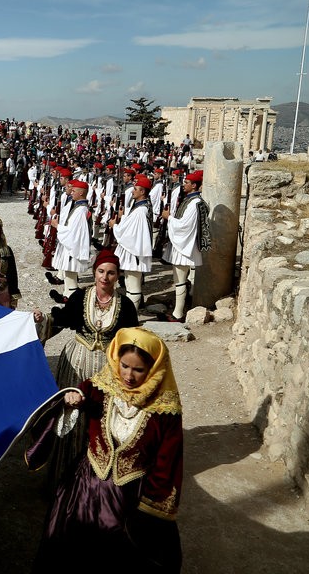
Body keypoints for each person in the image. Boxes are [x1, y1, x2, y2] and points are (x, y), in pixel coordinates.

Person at [26, 327, 183, 572]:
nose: (128, 375)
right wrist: (73, 399)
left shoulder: (165, 411)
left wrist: (150, 509)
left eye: (138, 369)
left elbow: (168, 462)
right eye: (124, 366)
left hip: (129, 497)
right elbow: (82, 394)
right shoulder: (103, 386)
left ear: (153, 370)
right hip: (85, 487)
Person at [32, 250, 139, 485]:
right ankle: (62, 479)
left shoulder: (126, 306)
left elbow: (133, 344)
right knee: (69, 417)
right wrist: (42, 321)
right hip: (76, 364)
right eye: (101, 272)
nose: (105, 277)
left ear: (118, 275)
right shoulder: (81, 297)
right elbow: (61, 319)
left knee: (101, 422)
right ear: (94, 272)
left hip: (107, 372)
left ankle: (92, 485)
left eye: (111, 273)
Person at [161, 170, 210, 322]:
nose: (184, 185)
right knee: (179, 279)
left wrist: (169, 218)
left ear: (194, 186)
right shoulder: (190, 200)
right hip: (183, 245)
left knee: (180, 280)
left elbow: (184, 226)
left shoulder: (194, 203)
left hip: (185, 247)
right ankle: (179, 309)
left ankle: (178, 314)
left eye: (187, 183)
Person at [109, 174, 154, 310]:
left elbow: (129, 233)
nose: (133, 191)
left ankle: (132, 316)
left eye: (136, 189)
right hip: (134, 251)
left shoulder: (141, 210)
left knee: (133, 285)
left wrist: (114, 226)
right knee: (130, 283)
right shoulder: (141, 207)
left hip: (135, 252)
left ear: (142, 192)